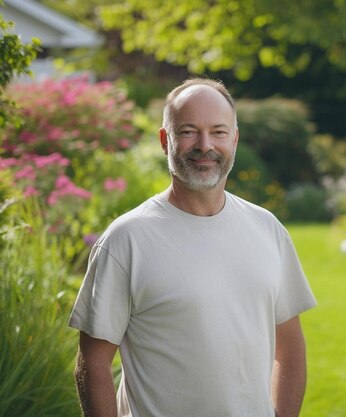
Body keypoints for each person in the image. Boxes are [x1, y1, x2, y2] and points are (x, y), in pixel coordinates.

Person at [68, 77, 317, 417]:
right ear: (164, 140)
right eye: (188, 131)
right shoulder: (126, 239)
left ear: (235, 139)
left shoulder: (268, 229)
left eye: (218, 131)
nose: (205, 145)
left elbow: (290, 350)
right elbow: (92, 365)